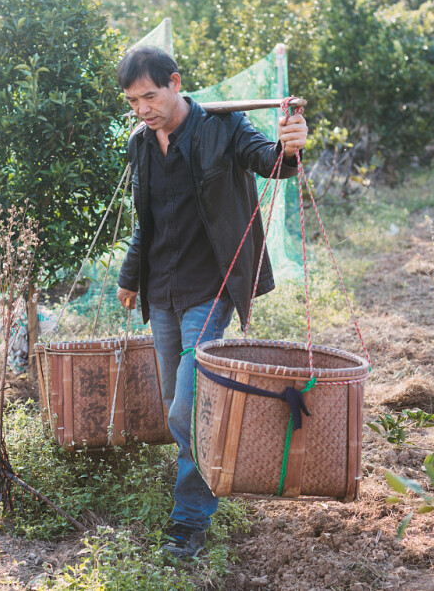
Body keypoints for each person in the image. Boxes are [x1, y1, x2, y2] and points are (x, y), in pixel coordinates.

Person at [115, 47, 308, 559]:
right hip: (161, 292)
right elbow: (147, 219)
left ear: (175, 83)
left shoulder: (223, 128)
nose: (142, 109)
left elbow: (271, 162)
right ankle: (209, 474)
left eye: (150, 96)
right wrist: (130, 276)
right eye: (133, 101)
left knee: (187, 407)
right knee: (176, 406)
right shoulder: (141, 143)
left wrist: (291, 145)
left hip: (210, 287)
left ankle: (189, 523)